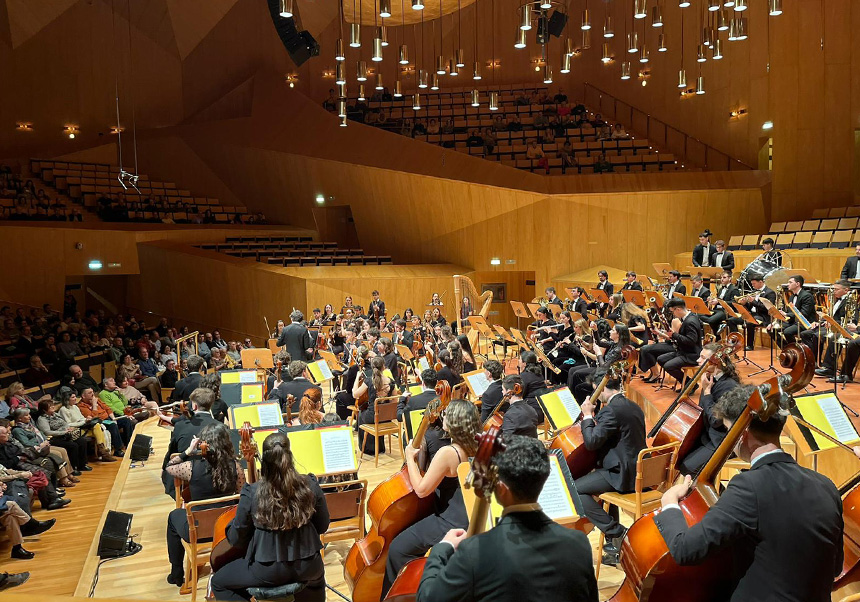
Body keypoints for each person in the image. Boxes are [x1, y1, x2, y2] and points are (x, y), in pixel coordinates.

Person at [655, 384, 843, 601]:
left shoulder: (748, 487)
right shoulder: (826, 485)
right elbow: (835, 567)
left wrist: (669, 502)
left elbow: (685, 549)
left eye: (728, 431)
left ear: (741, 434)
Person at [416, 436, 598, 602]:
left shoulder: (475, 551)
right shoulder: (578, 543)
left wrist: (442, 548)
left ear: (501, 489)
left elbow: (428, 598)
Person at [210, 432, 329, 602]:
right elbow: (322, 526)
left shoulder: (252, 493)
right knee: (317, 580)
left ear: (264, 461)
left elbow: (237, 539)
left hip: (267, 570)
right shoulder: (310, 485)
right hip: (309, 566)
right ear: (289, 456)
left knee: (219, 583)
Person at [383, 399, 479, 598]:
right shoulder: (479, 444)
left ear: (453, 422)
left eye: (447, 414)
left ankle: (399, 595)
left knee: (397, 549)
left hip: (450, 521)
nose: (442, 416)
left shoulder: (449, 452)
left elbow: (421, 490)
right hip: (471, 516)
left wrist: (409, 456)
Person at [573, 376, 646, 566]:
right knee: (597, 481)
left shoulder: (612, 411)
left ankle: (617, 533)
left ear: (603, 388)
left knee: (575, 490)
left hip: (622, 474)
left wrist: (588, 416)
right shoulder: (632, 405)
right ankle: (613, 545)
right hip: (638, 470)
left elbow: (591, 442)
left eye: (596, 390)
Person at [165, 423, 246, 587]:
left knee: (173, 517)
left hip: (199, 532)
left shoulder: (190, 468)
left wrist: (188, 450)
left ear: (203, 444)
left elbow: (169, 466)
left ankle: (176, 573)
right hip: (227, 529)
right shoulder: (236, 467)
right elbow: (241, 496)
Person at [677, 343, 740, 476]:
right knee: (680, 459)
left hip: (722, 440)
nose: (697, 360)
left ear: (715, 362)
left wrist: (706, 393)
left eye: (702, 357)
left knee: (688, 467)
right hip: (708, 434)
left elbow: (716, 421)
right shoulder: (710, 379)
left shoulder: (728, 386)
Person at [161, 388, 220, 495]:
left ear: (194, 406)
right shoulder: (221, 426)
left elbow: (172, 452)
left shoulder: (180, 426)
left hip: (187, 476)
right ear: (210, 405)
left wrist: (164, 468)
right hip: (217, 478)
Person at [639, 297, 703, 384]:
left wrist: (674, 335)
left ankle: (689, 384)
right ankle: (686, 381)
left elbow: (691, 341)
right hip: (683, 351)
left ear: (678, 309)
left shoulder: (690, 322)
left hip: (691, 355)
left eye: (673, 311)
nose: (673, 314)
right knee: (661, 359)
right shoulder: (688, 317)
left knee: (669, 366)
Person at [803, 279, 851, 366]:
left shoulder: (850, 302)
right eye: (833, 289)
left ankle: (823, 364)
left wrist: (833, 323)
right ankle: (812, 360)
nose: (834, 292)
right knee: (805, 334)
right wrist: (819, 322)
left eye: (836, 289)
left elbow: (850, 320)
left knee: (817, 335)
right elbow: (830, 315)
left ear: (846, 290)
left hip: (839, 328)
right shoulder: (835, 300)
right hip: (828, 326)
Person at [35, 398, 91, 474]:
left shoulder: (56, 415)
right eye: (50, 406)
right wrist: (63, 432)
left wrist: (68, 428)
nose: (53, 407)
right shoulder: (42, 419)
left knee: (82, 441)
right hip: (54, 438)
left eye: (52, 405)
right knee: (73, 445)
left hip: (66, 434)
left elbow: (65, 423)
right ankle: (73, 468)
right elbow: (47, 432)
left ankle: (82, 465)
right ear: (44, 409)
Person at [58, 389, 114, 461]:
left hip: (83, 427)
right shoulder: (64, 410)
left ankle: (102, 451)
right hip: (74, 431)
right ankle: (103, 453)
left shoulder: (75, 407)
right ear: (67, 399)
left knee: (98, 426)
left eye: (75, 397)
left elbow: (81, 418)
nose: (75, 399)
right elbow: (68, 424)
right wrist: (83, 422)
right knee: (98, 428)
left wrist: (86, 419)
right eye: (73, 397)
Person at [354, 356, 394, 455]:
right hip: (386, 417)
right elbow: (394, 402)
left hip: (372, 417)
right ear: (383, 367)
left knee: (360, 414)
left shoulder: (369, 381)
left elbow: (355, 394)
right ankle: (380, 447)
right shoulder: (391, 382)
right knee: (374, 415)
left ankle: (368, 448)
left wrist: (356, 379)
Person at [79, 387, 133, 457]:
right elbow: (93, 418)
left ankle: (130, 444)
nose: (92, 394)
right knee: (113, 425)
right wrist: (94, 406)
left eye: (92, 392)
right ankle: (118, 450)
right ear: (83, 396)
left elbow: (107, 408)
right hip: (100, 422)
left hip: (109, 419)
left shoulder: (97, 400)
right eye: (89, 393)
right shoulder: (81, 406)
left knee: (126, 420)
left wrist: (113, 418)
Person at [729, 273, 776, 351]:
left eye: (754, 283)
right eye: (752, 284)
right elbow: (750, 307)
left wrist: (753, 301)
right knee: (731, 320)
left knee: (750, 322)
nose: (753, 285)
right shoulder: (754, 291)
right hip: (752, 314)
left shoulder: (770, 293)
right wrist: (745, 303)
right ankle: (736, 342)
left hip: (763, 316)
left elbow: (767, 308)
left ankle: (750, 345)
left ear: (761, 282)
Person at [498, 375, 539, 439]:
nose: (502, 392)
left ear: (509, 392)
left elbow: (506, 441)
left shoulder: (510, 415)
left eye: (503, 390)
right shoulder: (532, 410)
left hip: (518, 448)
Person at [701, 270, 739, 337]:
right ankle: (719, 330)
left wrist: (719, 302)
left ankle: (718, 332)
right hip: (717, 310)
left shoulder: (734, 289)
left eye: (724, 277)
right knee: (699, 315)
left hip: (726, 311)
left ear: (730, 278)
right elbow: (718, 299)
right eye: (721, 277)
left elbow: (734, 303)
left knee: (711, 320)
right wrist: (712, 300)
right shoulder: (721, 289)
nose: (722, 279)